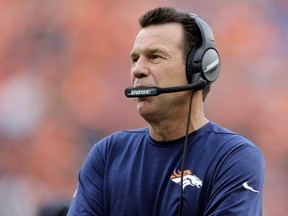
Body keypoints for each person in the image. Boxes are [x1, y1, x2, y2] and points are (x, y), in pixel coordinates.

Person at [67, 7, 265, 216]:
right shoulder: (108, 154)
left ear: (198, 69)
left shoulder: (234, 156)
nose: (137, 70)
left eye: (155, 57)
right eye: (135, 59)